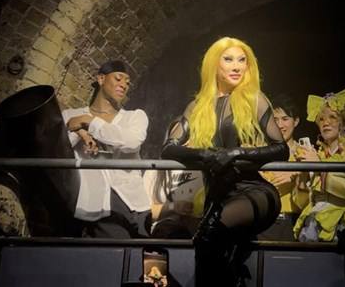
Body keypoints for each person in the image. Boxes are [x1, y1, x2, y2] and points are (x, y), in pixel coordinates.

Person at [161, 37, 288, 287]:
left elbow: (281, 149)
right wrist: (205, 155)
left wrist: (235, 153)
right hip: (218, 197)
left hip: (255, 193)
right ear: (214, 65)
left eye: (242, 60)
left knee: (209, 235)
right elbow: (168, 148)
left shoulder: (254, 99)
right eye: (228, 59)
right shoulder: (197, 107)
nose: (237, 66)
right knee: (210, 252)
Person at [293, 85, 345, 287]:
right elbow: (301, 202)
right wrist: (302, 174)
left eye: (332, 117)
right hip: (314, 222)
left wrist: (319, 167)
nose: (326, 122)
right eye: (321, 119)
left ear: (344, 122)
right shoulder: (314, 154)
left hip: (343, 223)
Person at [62, 60, 152, 238]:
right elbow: (60, 149)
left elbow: (131, 141)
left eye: (127, 83)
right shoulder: (71, 115)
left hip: (135, 203)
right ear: (101, 79)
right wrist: (80, 132)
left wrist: (89, 122)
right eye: (118, 79)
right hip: (98, 205)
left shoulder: (134, 117)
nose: (123, 85)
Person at [258, 95, 310, 240]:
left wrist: (297, 174)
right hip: (262, 220)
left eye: (285, 119)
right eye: (275, 120)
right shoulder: (261, 151)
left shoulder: (306, 153)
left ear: (296, 121)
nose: (280, 125)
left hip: (292, 222)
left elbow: (306, 201)